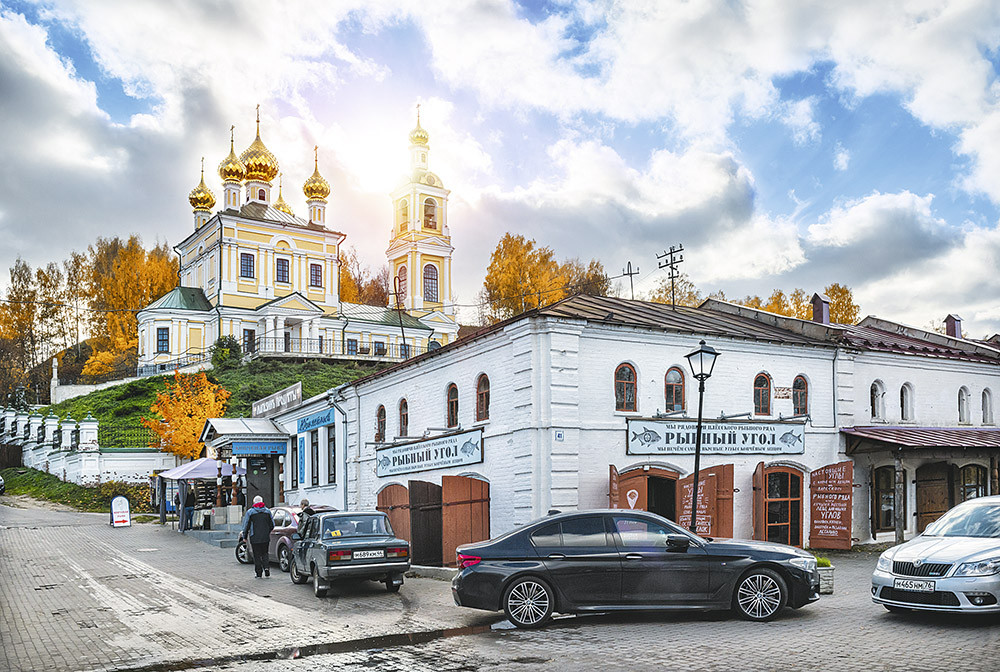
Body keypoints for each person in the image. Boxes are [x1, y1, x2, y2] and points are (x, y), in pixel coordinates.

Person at [241, 495, 275, 578]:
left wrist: (244, 536)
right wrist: (267, 532)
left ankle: (259, 573)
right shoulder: (267, 511)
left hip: (254, 536)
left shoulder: (250, 512)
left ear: (254, 502)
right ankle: (266, 568)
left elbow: (246, 525)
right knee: (265, 553)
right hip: (265, 537)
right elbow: (272, 524)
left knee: (257, 555)